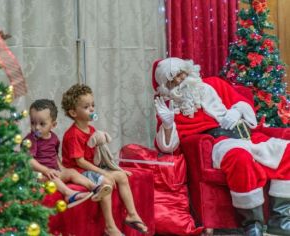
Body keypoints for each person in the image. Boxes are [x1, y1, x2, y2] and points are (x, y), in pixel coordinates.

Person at [153, 57, 290, 236]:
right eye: (173, 79)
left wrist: (237, 110)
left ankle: (280, 220)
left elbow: (242, 103)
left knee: (286, 149)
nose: (180, 80)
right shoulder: (170, 107)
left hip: (246, 135)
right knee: (240, 158)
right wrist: (168, 125)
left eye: (182, 74)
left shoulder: (214, 85)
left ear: (189, 71)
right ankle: (252, 223)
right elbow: (169, 147)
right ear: (166, 86)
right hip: (218, 143)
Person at [61, 84, 148, 236]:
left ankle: (132, 214)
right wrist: (104, 173)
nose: (92, 109)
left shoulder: (92, 130)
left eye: (93, 105)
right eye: (86, 107)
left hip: (89, 169)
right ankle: (109, 226)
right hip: (79, 171)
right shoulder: (74, 134)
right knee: (106, 182)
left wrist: (115, 170)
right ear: (73, 112)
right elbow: (80, 162)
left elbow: (99, 156)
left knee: (121, 176)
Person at [24, 99, 112, 208]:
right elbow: (28, 160)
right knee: (53, 177)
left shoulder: (54, 138)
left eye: (42, 124)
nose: (36, 127)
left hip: (52, 172)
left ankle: (95, 188)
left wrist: (62, 169)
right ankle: (69, 194)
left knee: (72, 172)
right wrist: (45, 170)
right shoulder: (31, 139)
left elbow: (54, 156)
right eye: (33, 122)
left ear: (53, 125)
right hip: (36, 175)